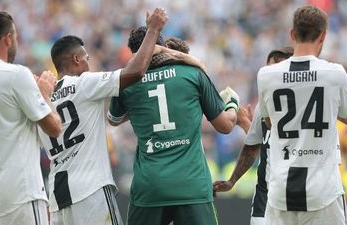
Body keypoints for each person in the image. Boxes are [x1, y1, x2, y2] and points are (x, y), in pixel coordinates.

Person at [36, 8, 168, 225]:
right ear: (76, 60)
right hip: (91, 191)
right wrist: (153, 30)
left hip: (58, 199)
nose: (90, 63)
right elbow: (134, 72)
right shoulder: (84, 83)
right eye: (87, 58)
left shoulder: (42, 100)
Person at [107, 26, 239, 225]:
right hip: (192, 184)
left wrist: (139, 105)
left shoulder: (126, 83)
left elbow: (113, 119)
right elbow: (226, 125)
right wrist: (233, 103)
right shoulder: (192, 73)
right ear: (162, 46)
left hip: (149, 186)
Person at [256, 5, 347, 225]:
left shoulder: (266, 75)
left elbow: (269, 122)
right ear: (323, 36)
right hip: (323, 192)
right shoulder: (334, 73)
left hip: (280, 190)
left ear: (292, 34)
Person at [0, 11, 62, 225]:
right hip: (18, 192)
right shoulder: (17, 74)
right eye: (15, 37)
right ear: (7, 38)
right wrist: (44, 94)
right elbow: (54, 128)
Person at [213, 47, 294, 225]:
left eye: (277, 68)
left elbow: (278, 144)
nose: (271, 75)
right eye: (268, 68)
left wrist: (245, 124)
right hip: (264, 201)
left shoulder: (303, 107)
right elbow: (256, 145)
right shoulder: (263, 104)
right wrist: (232, 181)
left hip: (295, 197)